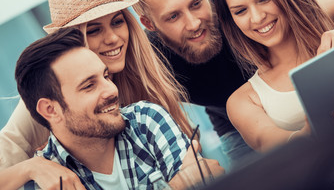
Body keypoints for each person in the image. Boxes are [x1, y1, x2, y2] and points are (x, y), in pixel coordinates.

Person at [124, 0, 334, 165]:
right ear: (149, 23)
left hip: (291, 86)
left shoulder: (236, 0)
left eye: (196, 3)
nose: (194, 23)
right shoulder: (150, 62)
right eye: (173, 16)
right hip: (232, 116)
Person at [0, 0, 194, 188]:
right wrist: (32, 167)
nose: (113, 38)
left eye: (117, 21)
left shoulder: (147, 66)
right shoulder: (44, 104)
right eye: (93, 30)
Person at [6, 27, 223, 190]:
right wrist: (179, 183)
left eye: (106, 76)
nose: (111, 90)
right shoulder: (45, 183)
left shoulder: (146, 119)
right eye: (89, 85)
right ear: (50, 110)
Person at [213, 0, 334, 152]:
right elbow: (267, 142)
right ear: (231, 20)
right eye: (240, 11)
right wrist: (309, 134)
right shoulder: (243, 101)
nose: (256, 18)